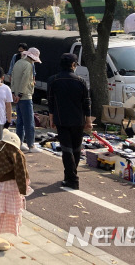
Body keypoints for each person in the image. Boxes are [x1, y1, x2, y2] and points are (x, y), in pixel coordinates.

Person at [47, 53, 92, 189]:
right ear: (73, 65)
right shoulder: (81, 81)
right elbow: (87, 102)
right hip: (78, 119)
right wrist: (88, 120)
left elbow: (50, 102)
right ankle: (71, 176)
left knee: (67, 149)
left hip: (61, 119)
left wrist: (51, 119)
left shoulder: (53, 80)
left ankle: (72, 178)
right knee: (76, 149)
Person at [0, 130, 31, 252]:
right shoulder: (16, 152)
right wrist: (23, 188)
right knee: (5, 211)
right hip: (9, 186)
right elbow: (21, 172)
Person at [10, 47, 42, 153]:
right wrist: (20, 94)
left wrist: (14, 93)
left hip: (16, 95)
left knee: (20, 121)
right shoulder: (29, 65)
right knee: (29, 121)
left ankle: (19, 143)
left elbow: (13, 78)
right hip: (25, 96)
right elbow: (25, 81)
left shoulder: (18, 62)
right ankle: (31, 145)